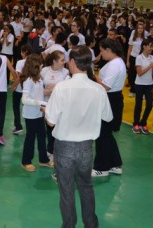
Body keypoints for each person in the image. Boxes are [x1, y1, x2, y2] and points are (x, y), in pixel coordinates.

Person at [45, 45, 112, 228]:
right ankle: (91, 224)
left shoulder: (62, 88)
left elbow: (51, 121)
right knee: (86, 187)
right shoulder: (98, 89)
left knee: (66, 191)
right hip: (86, 148)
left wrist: (46, 109)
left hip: (65, 147)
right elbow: (108, 116)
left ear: (73, 62)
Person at [92, 38, 126, 177]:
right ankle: (115, 163)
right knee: (107, 134)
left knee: (102, 135)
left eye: (101, 51)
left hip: (110, 100)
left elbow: (106, 85)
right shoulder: (117, 62)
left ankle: (102, 167)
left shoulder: (114, 65)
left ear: (108, 50)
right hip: (113, 99)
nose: (101, 54)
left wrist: (94, 78)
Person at [20, 54, 54, 172]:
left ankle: (43, 159)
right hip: (30, 115)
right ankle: (26, 161)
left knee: (41, 135)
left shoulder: (39, 79)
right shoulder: (29, 80)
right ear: (35, 66)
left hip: (39, 114)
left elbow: (39, 93)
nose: (42, 65)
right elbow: (24, 99)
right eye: (40, 64)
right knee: (30, 137)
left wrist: (47, 91)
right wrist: (40, 103)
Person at [132, 40, 153, 134]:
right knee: (138, 105)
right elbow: (139, 73)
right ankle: (135, 124)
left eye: (152, 47)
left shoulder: (152, 57)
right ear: (144, 46)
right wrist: (151, 65)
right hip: (139, 84)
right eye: (150, 46)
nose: (151, 48)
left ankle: (143, 123)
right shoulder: (139, 58)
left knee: (149, 105)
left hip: (149, 84)